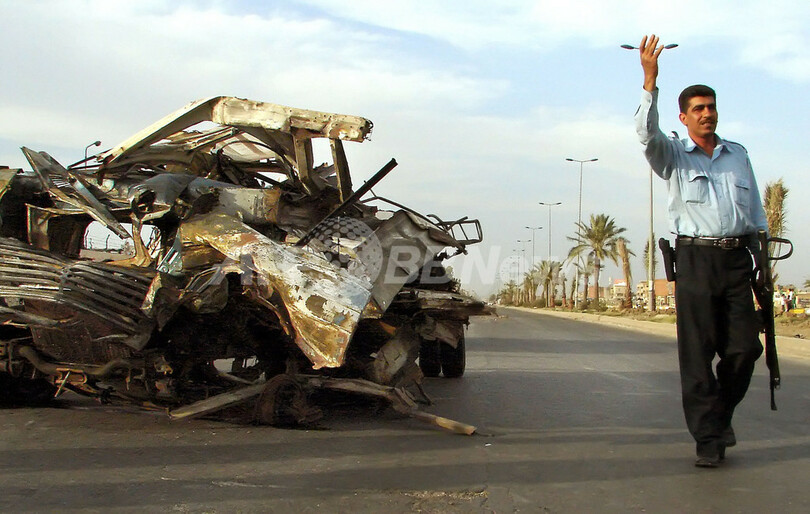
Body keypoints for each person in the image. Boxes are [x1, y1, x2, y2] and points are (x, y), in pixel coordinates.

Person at [634, 34, 769, 468]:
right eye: (698, 109)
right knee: (696, 358)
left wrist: (763, 261)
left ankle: (720, 415)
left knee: (746, 349)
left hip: (737, 261)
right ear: (684, 116)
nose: (707, 114)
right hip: (694, 261)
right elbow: (645, 134)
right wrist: (649, 81)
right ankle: (708, 440)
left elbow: (756, 212)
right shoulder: (672, 155)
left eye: (711, 107)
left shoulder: (737, 155)